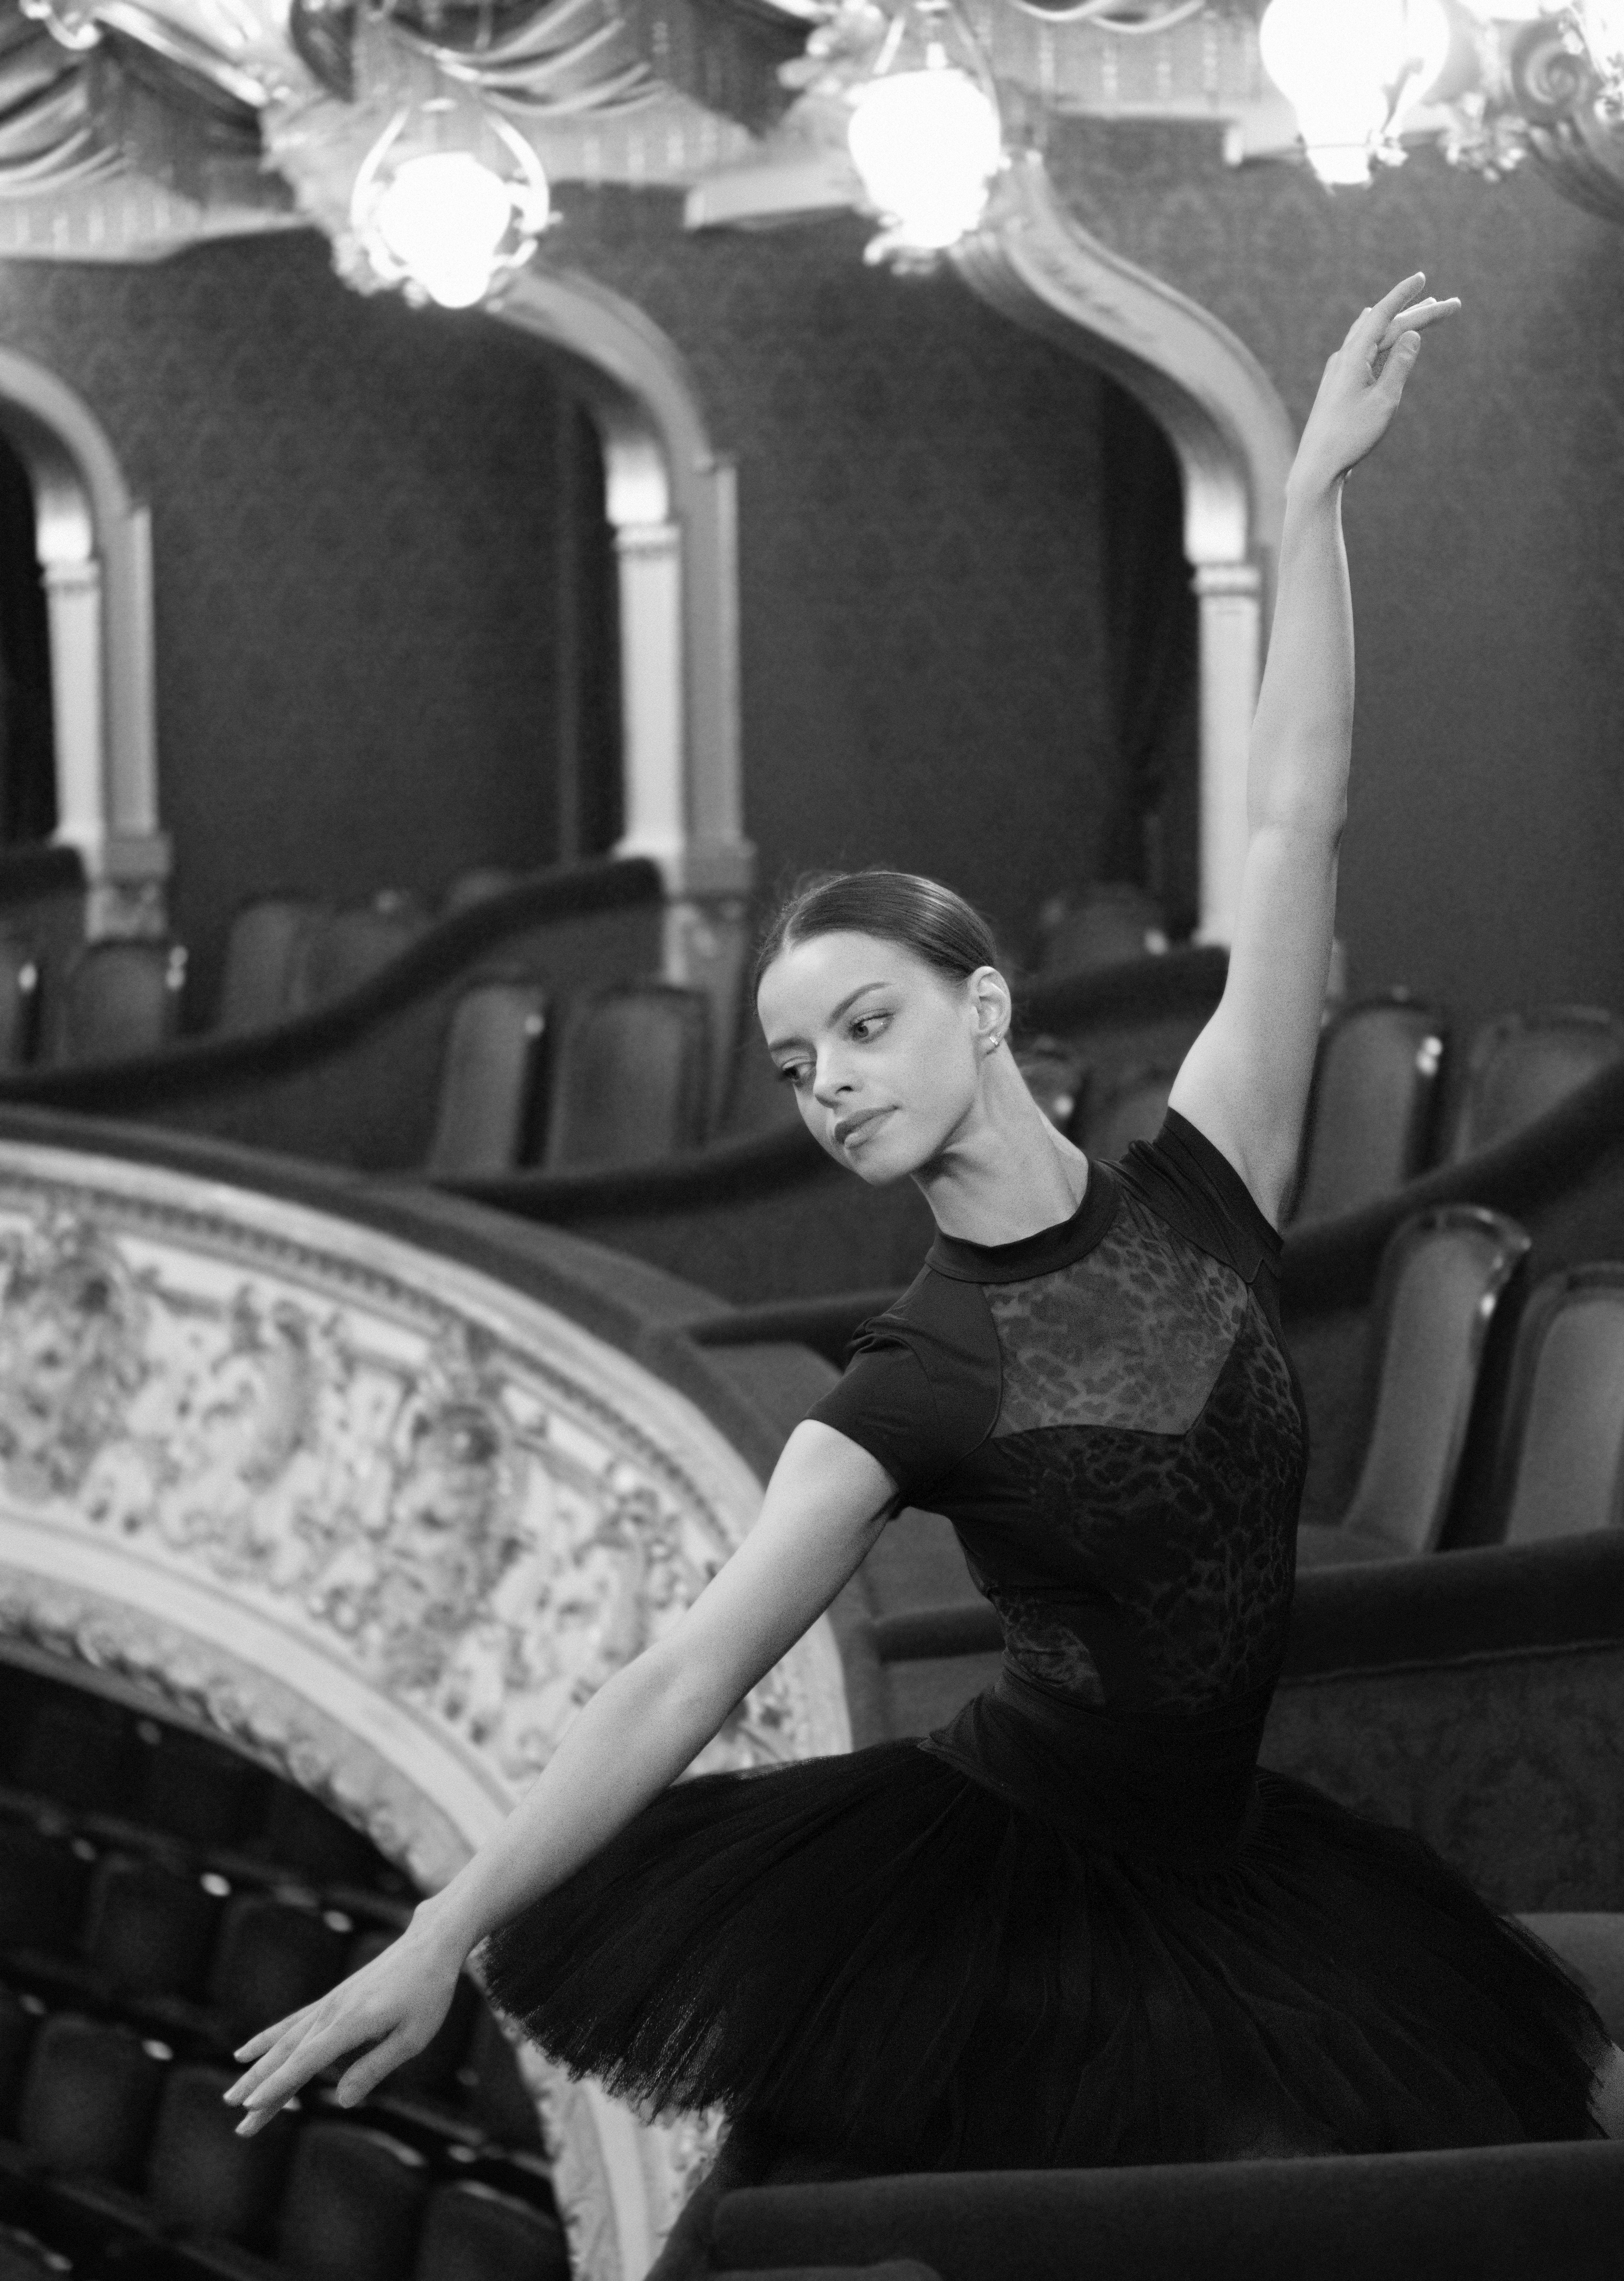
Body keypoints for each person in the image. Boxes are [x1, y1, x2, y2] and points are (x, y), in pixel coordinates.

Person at [225, 273, 1622, 2166]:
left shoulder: (1210, 1177)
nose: (832, 1083)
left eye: (866, 1026)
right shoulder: (915, 1377)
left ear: (981, 1007)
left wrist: (1306, 503)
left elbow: (1294, 821)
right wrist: (438, 1932)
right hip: (1030, 1900)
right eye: (798, 1064)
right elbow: (679, 1675)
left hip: (1245, 1864)